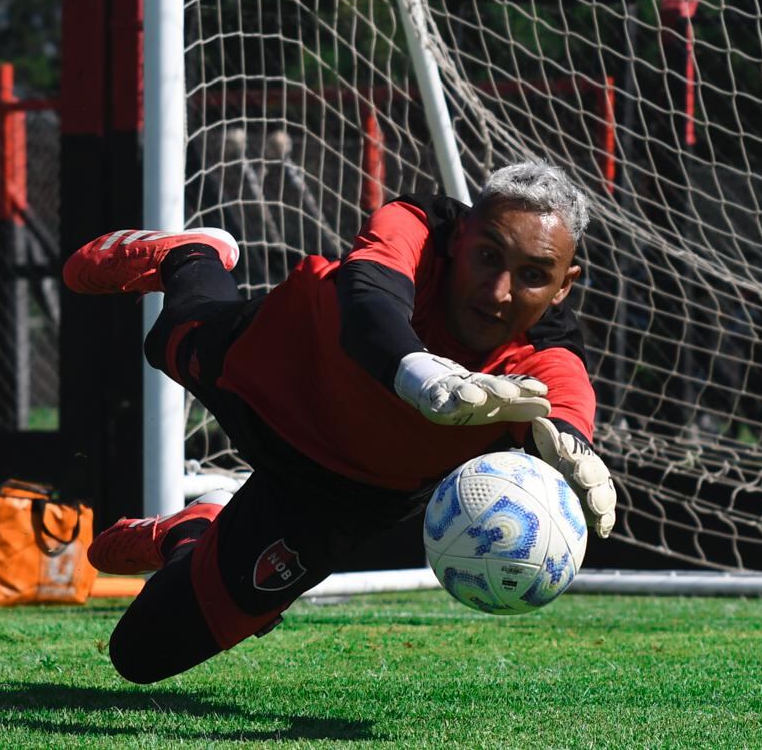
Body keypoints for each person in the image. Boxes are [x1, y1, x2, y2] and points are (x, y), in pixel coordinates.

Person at [62, 158, 618, 684]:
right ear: (461, 238)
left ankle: (191, 533)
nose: (499, 291)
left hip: (338, 498)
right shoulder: (417, 224)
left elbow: (566, 416)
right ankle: (189, 257)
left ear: (564, 285)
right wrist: (420, 374)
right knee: (171, 338)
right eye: (488, 257)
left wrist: (572, 450)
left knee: (142, 652)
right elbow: (369, 303)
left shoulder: (548, 357)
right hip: (282, 363)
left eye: (532, 276)